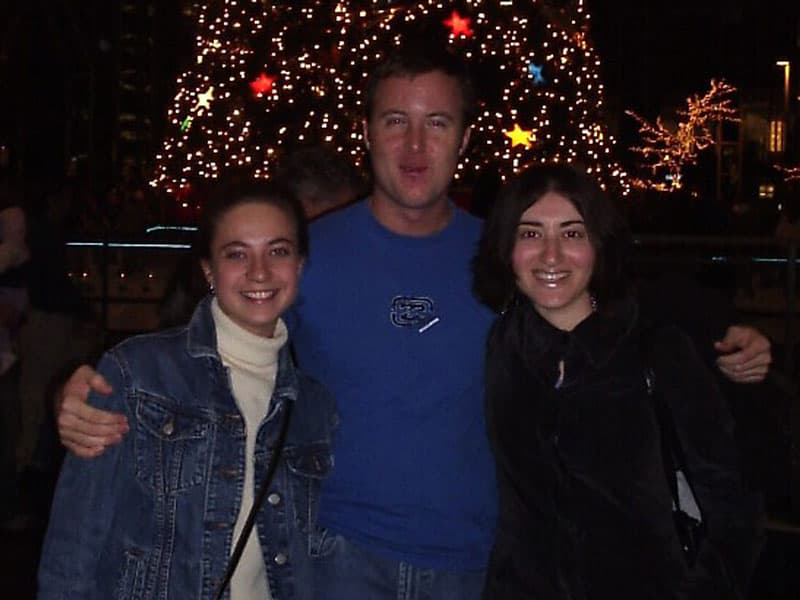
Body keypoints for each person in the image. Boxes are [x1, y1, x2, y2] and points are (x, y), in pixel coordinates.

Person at [54, 46, 771, 598]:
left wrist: (725, 342)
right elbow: (199, 350)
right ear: (367, 131)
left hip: (480, 561)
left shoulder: (507, 253)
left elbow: (609, 311)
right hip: (329, 556)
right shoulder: (307, 253)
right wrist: (91, 386)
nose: (416, 146)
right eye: (397, 121)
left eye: (438, 122)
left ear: (464, 135)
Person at [473, 164, 764, 599]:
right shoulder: (504, 347)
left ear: (598, 245)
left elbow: (731, 502)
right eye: (530, 233)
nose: (551, 255)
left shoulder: (656, 350)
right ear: (506, 248)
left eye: (572, 234)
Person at [38, 181, 337, 599]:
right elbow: (74, 544)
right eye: (237, 254)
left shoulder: (314, 404)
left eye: (278, 251)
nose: (260, 271)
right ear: (209, 270)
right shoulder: (137, 374)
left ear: (300, 264)